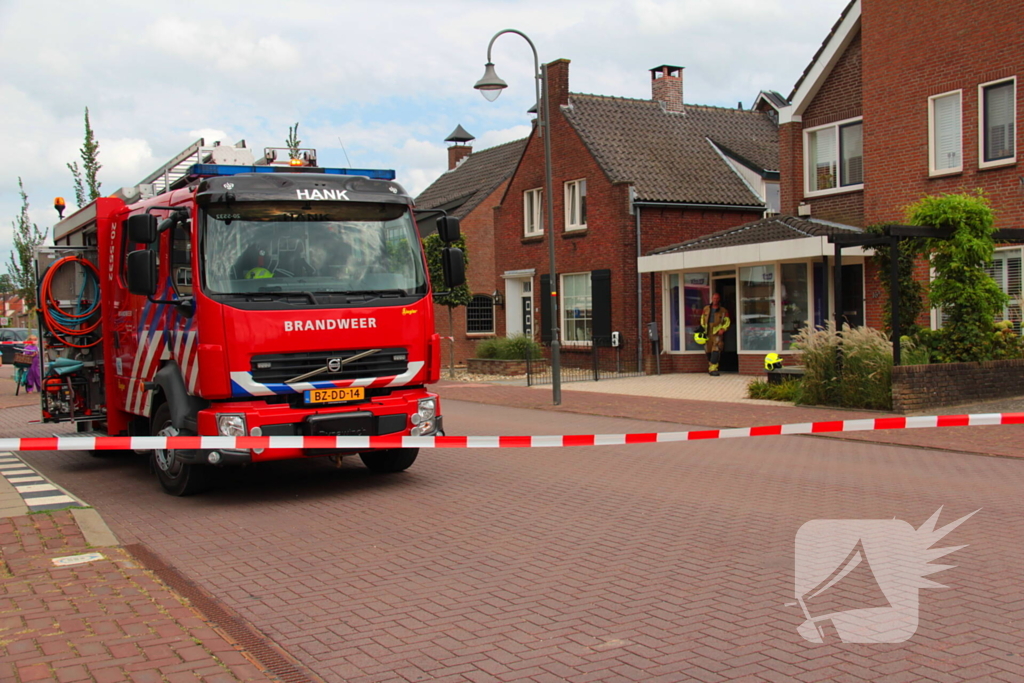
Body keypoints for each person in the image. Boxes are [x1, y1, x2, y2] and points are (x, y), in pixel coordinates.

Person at [699, 293, 731, 376]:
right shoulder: (706, 309)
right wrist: (702, 329)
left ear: (719, 299)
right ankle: (711, 367)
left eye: (717, 298)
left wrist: (723, 329)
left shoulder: (723, 310)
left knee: (715, 351)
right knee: (708, 351)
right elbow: (702, 319)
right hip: (707, 333)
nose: (715, 300)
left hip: (717, 333)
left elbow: (727, 321)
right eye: (714, 298)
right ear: (711, 298)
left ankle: (714, 369)